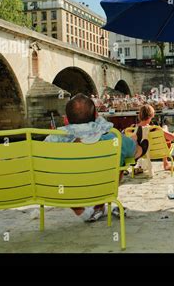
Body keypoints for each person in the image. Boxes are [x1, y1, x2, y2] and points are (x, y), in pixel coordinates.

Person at [45, 94, 149, 222]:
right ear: (95, 116)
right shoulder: (112, 138)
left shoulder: (52, 140)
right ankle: (136, 143)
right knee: (123, 155)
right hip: (101, 185)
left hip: (68, 190)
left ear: (66, 120)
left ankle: (82, 211)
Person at [134, 104, 174, 172]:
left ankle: (140, 165)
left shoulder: (132, 128)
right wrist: (165, 130)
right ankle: (165, 164)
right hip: (157, 151)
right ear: (152, 115)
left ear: (140, 115)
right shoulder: (155, 129)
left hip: (140, 153)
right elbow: (173, 138)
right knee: (165, 137)